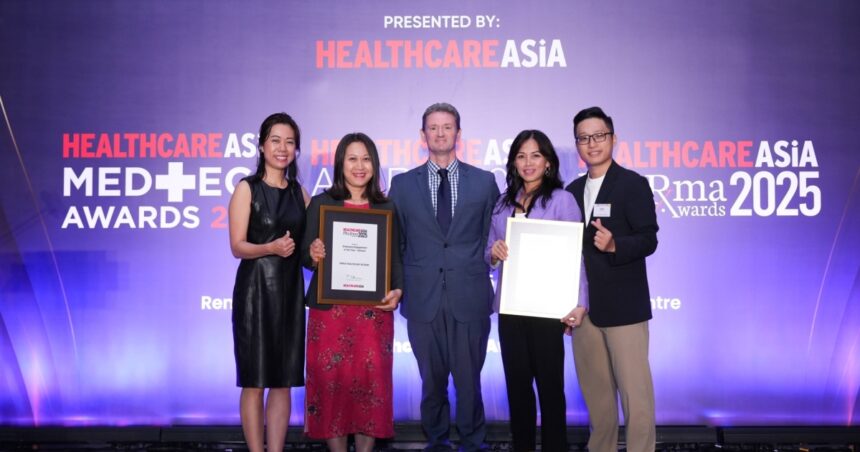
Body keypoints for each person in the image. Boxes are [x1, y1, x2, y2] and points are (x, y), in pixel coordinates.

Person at [389, 103, 500, 452]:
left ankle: (473, 442)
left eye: (447, 127)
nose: (440, 133)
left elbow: (493, 237)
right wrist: (396, 286)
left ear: (458, 133)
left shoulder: (484, 182)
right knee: (431, 382)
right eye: (433, 128)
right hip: (423, 298)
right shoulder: (402, 185)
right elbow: (395, 243)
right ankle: (436, 441)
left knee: (469, 382)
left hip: (470, 296)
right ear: (423, 135)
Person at [486, 130, 588, 452]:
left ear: (548, 163)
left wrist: (580, 302)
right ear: (513, 163)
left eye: (535, 155)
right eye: (521, 156)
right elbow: (488, 250)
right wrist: (493, 253)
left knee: (550, 390)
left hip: (547, 310)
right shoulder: (502, 203)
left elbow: (576, 255)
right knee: (517, 390)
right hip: (511, 309)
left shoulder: (562, 200)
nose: (528, 163)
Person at [564, 107, 659, 452]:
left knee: (637, 400)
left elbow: (649, 239)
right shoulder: (571, 191)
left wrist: (616, 244)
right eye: (583, 138)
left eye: (599, 135)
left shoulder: (632, 184)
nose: (592, 143)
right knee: (599, 404)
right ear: (577, 144)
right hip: (585, 313)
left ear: (613, 138)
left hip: (625, 311)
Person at [301, 132, 403, 452]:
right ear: (340, 164)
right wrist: (313, 253)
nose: (360, 166)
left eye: (366, 159)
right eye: (352, 159)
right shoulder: (321, 203)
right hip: (330, 315)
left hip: (373, 314)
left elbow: (396, 257)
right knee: (332, 388)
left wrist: (398, 290)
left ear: (374, 164)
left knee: (370, 390)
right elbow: (304, 253)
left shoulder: (386, 207)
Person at [228, 112, 310, 452]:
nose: (282, 148)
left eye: (289, 142)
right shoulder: (247, 188)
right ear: (262, 146)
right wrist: (270, 248)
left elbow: (312, 243)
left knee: (283, 382)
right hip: (255, 294)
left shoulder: (300, 193)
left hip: (290, 295)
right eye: (275, 140)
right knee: (254, 382)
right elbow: (237, 246)